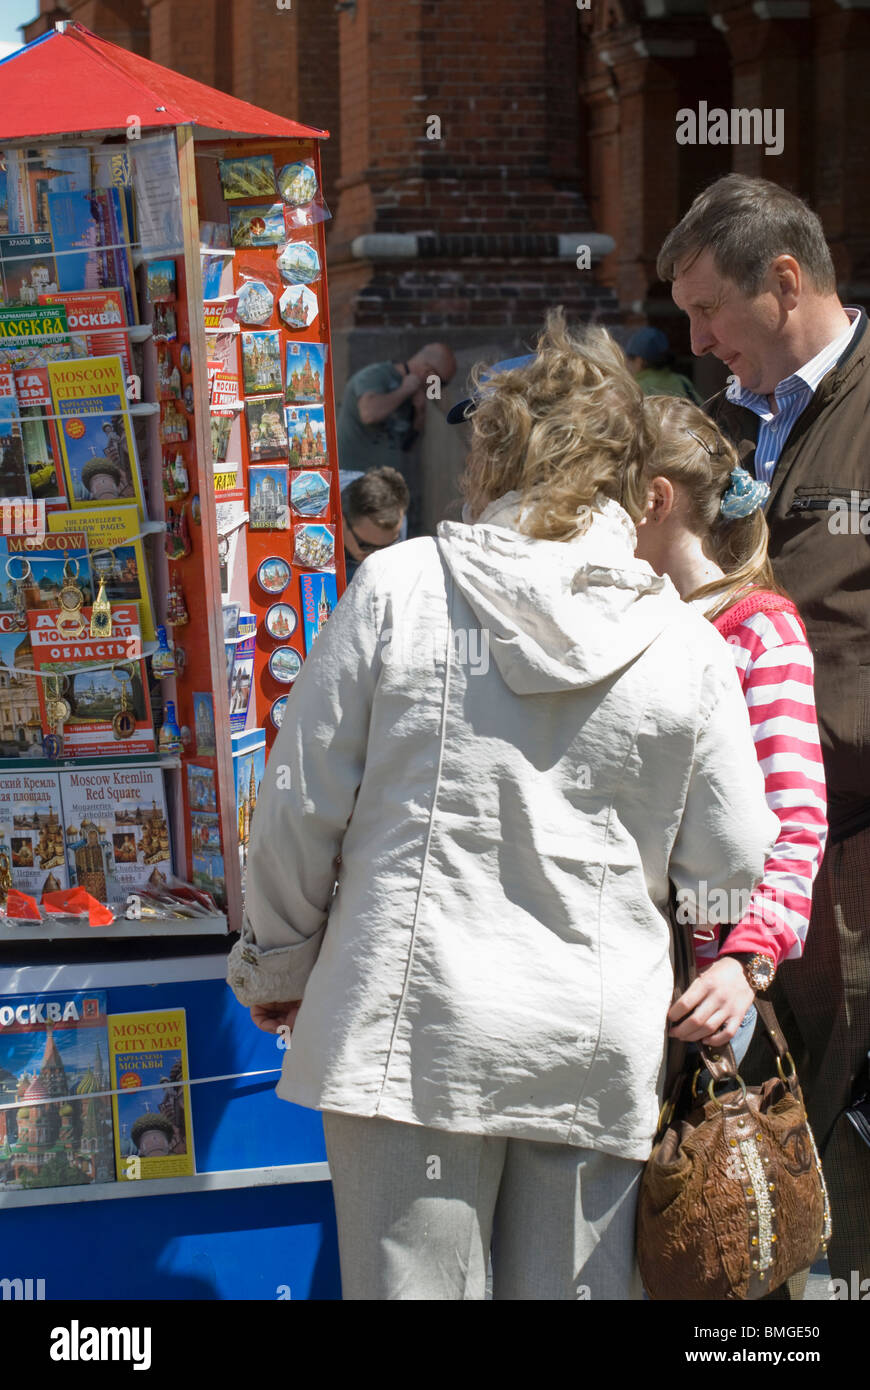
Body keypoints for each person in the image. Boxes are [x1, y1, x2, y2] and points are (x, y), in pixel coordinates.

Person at [227, 309, 777, 1302]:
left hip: (410, 1024)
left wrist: (279, 961)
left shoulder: (401, 589)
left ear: (495, 456)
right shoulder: (687, 643)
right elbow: (731, 856)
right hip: (591, 1034)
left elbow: (300, 800)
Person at [657, 172, 870, 1292]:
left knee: (841, 1173)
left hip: (853, 857)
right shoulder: (727, 421)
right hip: (743, 876)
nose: (697, 341)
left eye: (709, 312)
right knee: (759, 1174)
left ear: (785, 281)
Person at [634, 395, 827, 1080]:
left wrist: (749, 962)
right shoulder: (639, 621)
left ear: (656, 500)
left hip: (713, 996)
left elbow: (797, 818)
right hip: (641, 985)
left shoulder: (759, 631)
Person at [336, 343, 457, 476]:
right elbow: (369, 414)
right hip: (352, 481)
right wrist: (404, 390)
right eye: (441, 382)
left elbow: (406, 446)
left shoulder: (416, 394)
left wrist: (419, 414)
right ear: (426, 371)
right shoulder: (374, 375)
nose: (439, 389)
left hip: (384, 485)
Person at [340, 467, 409, 583]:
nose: (376, 556)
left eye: (388, 546)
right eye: (367, 547)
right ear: (341, 520)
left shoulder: (394, 514)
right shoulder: (307, 505)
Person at [624, 325, 703, 404]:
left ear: (639, 361)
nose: (625, 363)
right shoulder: (682, 381)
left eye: (628, 359)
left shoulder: (634, 388)